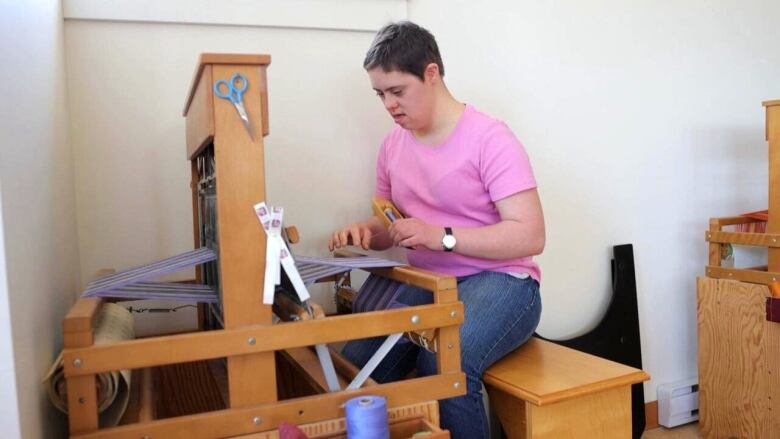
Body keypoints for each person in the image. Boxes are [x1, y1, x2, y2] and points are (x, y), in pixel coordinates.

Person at [328, 21, 544, 439]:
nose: (388, 105)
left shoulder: (490, 138)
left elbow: (531, 235)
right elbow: (392, 224)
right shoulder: (393, 144)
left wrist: (442, 236)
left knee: (444, 361)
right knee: (354, 364)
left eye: (397, 91)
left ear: (431, 74)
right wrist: (364, 234)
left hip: (504, 281)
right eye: (380, 94)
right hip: (431, 284)